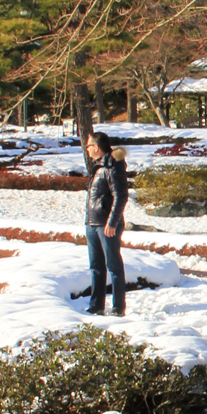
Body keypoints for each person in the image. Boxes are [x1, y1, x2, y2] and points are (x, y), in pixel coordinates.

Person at [84, 130, 130, 316]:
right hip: (92, 223)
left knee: (114, 266)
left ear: (96, 147)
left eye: (88, 146)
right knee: (96, 267)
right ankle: (96, 305)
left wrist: (112, 222)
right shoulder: (98, 167)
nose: (86, 150)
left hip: (107, 226)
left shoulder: (113, 166)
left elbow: (121, 196)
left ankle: (118, 307)